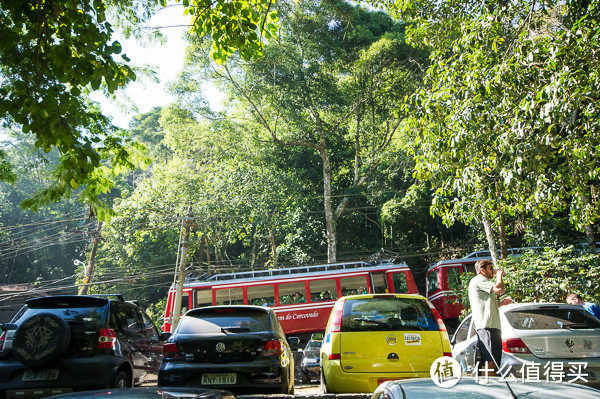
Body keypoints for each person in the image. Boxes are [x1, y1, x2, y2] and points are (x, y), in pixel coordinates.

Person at [468, 259, 512, 376]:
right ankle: (492, 390)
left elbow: (485, 306)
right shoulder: (479, 279)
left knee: (488, 363)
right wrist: (499, 276)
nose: (493, 272)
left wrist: (500, 304)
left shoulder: (482, 284)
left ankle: (487, 387)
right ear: (482, 270)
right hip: (487, 326)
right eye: (490, 269)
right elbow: (499, 289)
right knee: (491, 362)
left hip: (489, 326)